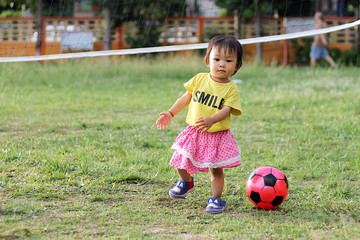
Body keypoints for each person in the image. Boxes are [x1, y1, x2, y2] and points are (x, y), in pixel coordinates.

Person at [156, 35, 243, 214]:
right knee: (180, 159)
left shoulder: (231, 89)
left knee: (215, 170)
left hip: (217, 135)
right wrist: (170, 113)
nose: (221, 64)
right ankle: (187, 182)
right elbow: (185, 98)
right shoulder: (199, 80)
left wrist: (212, 119)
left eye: (228, 60)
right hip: (195, 131)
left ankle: (216, 199)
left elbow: (227, 109)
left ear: (237, 65)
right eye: (217, 59)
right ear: (207, 60)